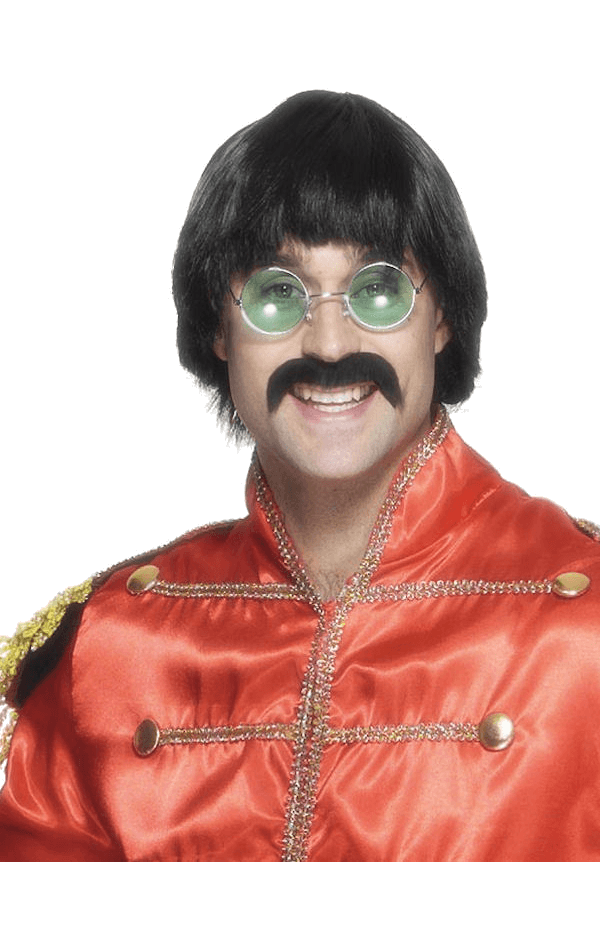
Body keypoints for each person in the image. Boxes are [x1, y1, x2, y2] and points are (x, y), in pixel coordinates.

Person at [1, 90, 598, 862]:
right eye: (278, 294)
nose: (328, 343)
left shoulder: (587, 625)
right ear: (220, 326)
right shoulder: (107, 646)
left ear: (442, 317)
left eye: (378, 290)